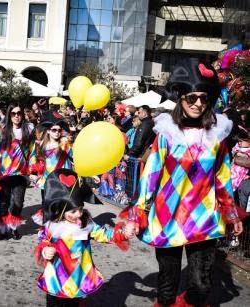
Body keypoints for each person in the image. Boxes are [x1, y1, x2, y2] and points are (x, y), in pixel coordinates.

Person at [123, 59, 243, 306]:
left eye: (203, 98)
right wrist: (137, 214)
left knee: (202, 285)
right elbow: (151, 175)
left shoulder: (217, 135)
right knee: (167, 289)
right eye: (192, 98)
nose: (198, 104)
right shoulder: (167, 134)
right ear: (181, 99)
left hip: (203, 216)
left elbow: (222, 177)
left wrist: (231, 213)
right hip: (168, 216)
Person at [34, 169, 128, 307]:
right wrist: (45, 251)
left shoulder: (85, 223)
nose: (78, 214)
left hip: (78, 279)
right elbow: (43, 241)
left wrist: (123, 232)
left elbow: (104, 234)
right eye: (73, 211)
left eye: (80, 208)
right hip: (56, 280)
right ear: (60, 210)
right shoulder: (52, 225)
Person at [0, 103, 35, 240]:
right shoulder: (3, 129)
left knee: (18, 202)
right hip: (4, 173)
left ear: (22, 114)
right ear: (9, 115)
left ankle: (13, 226)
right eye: (13, 113)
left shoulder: (29, 129)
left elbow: (33, 152)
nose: (16, 116)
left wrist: (33, 170)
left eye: (19, 113)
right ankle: (3, 227)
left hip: (20, 174)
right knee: (3, 202)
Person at [30, 110, 73, 225]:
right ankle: (48, 230)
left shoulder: (65, 144)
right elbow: (34, 158)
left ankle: (58, 229)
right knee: (47, 204)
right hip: (47, 181)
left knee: (61, 205)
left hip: (62, 181)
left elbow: (75, 158)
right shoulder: (40, 145)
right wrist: (34, 173)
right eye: (54, 130)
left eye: (59, 130)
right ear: (48, 131)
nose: (57, 132)